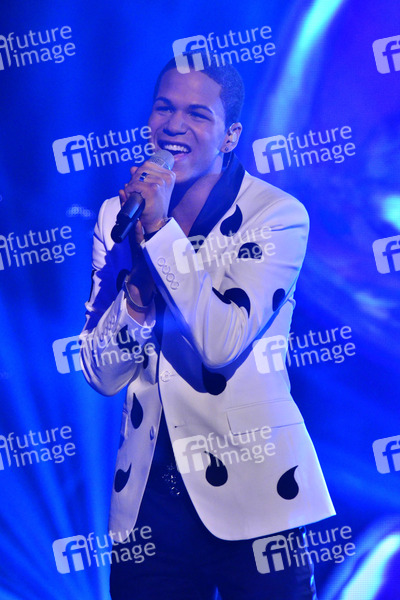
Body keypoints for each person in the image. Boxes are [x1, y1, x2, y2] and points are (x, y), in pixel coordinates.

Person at [80, 54, 335, 599]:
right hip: (150, 504)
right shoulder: (115, 216)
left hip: (258, 493)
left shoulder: (276, 215)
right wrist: (138, 297)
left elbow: (221, 343)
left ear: (230, 135)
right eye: (164, 108)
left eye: (197, 114)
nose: (174, 125)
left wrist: (159, 231)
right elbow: (102, 375)